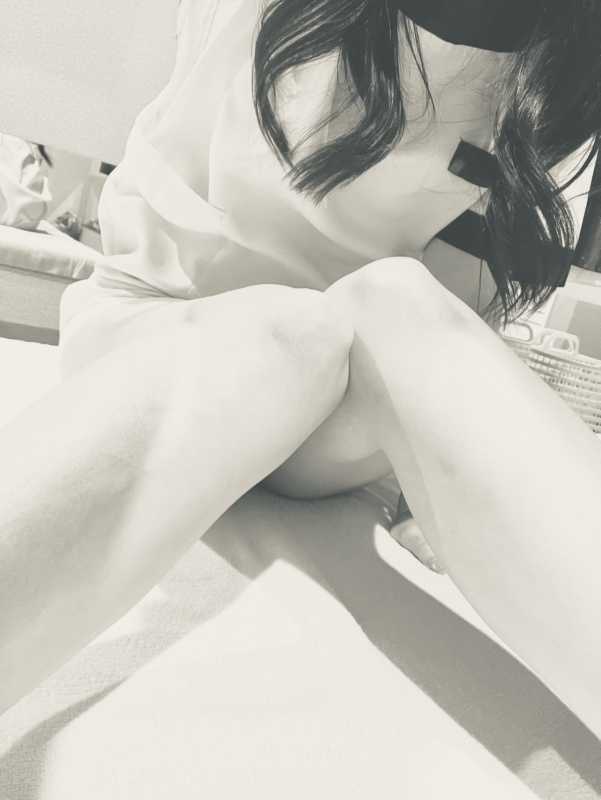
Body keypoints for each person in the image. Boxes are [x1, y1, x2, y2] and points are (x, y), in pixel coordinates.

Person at [1, 0, 600, 740]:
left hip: (338, 412)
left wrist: (443, 474)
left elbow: (458, 312)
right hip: (166, 321)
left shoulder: (570, 61)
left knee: (396, 301)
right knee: (289, 335)